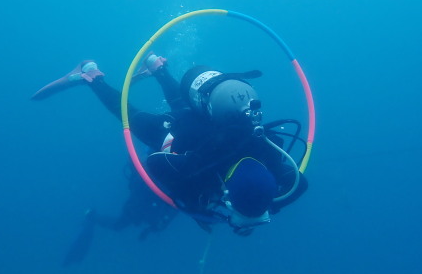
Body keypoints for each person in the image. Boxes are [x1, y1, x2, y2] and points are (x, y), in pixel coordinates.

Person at [32, 54, 308, 235]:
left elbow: (300, 185)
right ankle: (91, 76)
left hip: (215, 118)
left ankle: (158, 67)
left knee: (181, 104)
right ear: (227, 194)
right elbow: (154, 163)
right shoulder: (204, 163)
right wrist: (194, 201)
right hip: (184, 133)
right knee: (130, 115)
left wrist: (266, 204)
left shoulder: (272, 157)